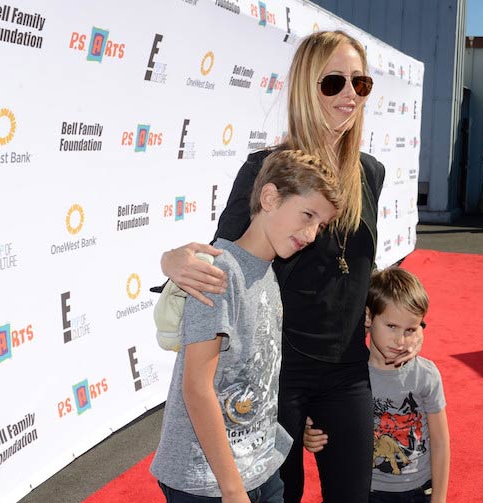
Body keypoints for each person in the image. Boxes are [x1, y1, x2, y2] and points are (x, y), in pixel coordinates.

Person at [158, 30, 424, 503]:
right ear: (306, 86)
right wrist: (170, 260)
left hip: (347, 367)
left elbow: (356, 266)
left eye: (360, 84)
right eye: (334, 82)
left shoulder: (372, 173)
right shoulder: (268, 168)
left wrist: (393, 321)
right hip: (281, 371)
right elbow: (228, 257)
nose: (349, 95)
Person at [150, 149, 344, 502]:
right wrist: (232, 488)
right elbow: (196, 388)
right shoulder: (220, 274)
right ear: (269, 197)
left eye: (321, 224)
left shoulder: (268, 273)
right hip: (206, 481)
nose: (313, 233)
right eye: (307, 214)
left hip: (260, 469)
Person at [304, 267, 450, 503]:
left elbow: (441, 441)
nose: (400, 341)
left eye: (410, 330)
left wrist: (440, 498)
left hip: (418, 491)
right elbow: (325, 424)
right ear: (369, 318)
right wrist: (308, 434)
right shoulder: (346, 375)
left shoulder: (426, 375)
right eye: (392, 326)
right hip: (365, 492)